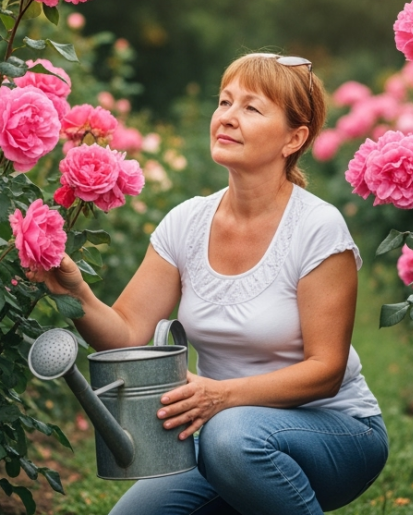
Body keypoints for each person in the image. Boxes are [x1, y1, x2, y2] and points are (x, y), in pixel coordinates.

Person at [27, 53, 387, 514]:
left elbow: (326, 370)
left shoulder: (317, 226)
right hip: (228, 439)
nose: (228, 118)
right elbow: (127, 334)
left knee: (229, 438)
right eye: (224, 102)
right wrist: (76, 292)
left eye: (251, 109)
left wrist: (221, 396)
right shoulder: (187, 222)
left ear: (293, 138)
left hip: (335, 431)